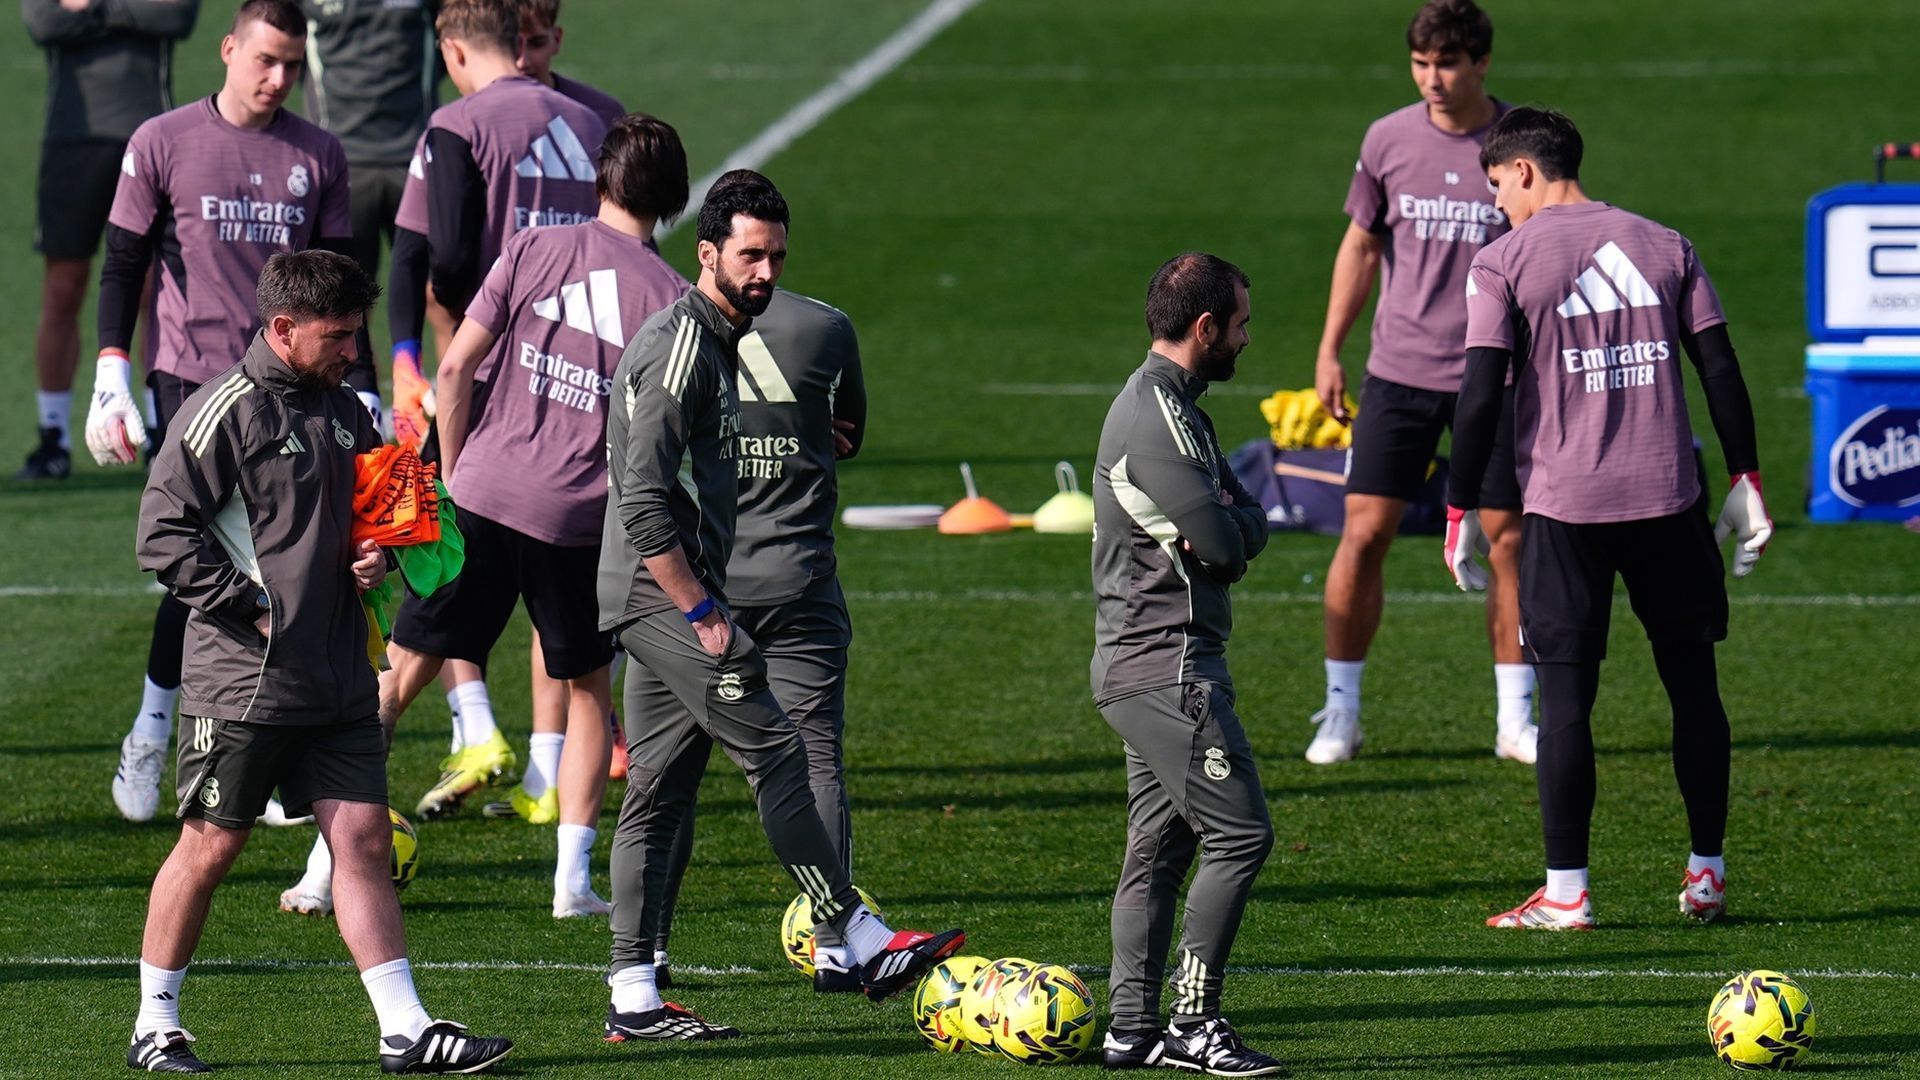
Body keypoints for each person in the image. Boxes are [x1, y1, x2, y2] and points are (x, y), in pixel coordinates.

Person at [129, 248, 512, 1075]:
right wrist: (248, 603)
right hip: (243, 681)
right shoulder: (220, 413)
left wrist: (369, 554)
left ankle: (404, 1029)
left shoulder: (349, 412)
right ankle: (155, 1024)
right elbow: (161, 535)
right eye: (339, 335)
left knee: (365, 840)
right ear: (282, 328)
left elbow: (363, 522)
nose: (352, 349)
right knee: (210, 846)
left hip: (340, 675)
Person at [598, 170, 961, 1040]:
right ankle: (859, 936)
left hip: (662, 593)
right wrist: (702, 613)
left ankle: (634, 993)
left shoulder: (717, 340)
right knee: (778, 751)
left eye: (776, 257)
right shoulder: (683, 346)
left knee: (657, 788)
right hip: (665, 598)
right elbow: (642, 497)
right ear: (708, 253)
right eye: (750, 255)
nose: (764, 272)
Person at [298, 114, 688, 922]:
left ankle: (320, 865)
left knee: (396, 677)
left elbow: (455, 365)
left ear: (602, 180)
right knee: (587, 693)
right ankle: (571, 882)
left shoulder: (537, 248)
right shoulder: (673, 303)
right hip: (580, 526)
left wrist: (457, 470)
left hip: (481, 497)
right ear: (673, 200)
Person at [1445, 107, 1771, 930]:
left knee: (1565, 704)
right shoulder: (1667, 245)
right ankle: (1707, 875)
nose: (1496, 206)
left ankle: (1567, 894)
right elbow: (1721, 367)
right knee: (1694, 684)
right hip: (1673, 500)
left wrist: (1459, 506)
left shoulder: (1503, 263)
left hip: (1565, 511)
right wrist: (1746, 475)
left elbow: (1481, 392)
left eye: (1497, 186)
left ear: (1523, 170)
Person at [90, 0, 365, 827]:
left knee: (300, 564)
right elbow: (123, 259)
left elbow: (344, 281)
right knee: (203, 566)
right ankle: (154, 727)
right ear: (229, 49)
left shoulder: (318, 152)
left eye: (293, 66)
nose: (279, 79)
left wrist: (367, 379)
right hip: (192, 384)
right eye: (266, 60)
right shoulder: (163, 140)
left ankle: (273, 742)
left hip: (294, 390)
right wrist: (110, 368)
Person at [383, 0, 609, 822]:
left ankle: (335, 841)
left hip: (485, 403)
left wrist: (425, 351)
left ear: (451, 49)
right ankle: (559, 817)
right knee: (572, 625)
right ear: (521, 39)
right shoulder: (601, 121)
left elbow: (428, 256)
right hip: (578, 406)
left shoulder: (456, 123)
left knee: (422, 609)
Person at [1306, 0, 1537, 766]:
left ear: (1480, 63)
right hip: (1398, 372)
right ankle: (1341, 712)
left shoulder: (1521, 148)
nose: (1432, 80)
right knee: (1363, 534)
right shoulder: (1387, 139)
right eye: (1420, 64)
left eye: (1445, 63)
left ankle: (1514, 721)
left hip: (1496, 378)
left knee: (1509, 544)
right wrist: (1330, 349)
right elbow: (1361, 246)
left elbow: (1550, 255)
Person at [648, 253, 870, 984]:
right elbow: (847, 432)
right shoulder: (828, 327)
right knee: (813, 759)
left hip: (696, 592)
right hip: (799, 579)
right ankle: (839, 944)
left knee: (667, 779)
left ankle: (647, 954)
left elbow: (640, 466)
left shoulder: (661, 333)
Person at [1091, 253, 1280, 1076]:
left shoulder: (1178, 408)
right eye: (1238, 323)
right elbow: (1228, 546)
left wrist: (1237, 527)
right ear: (1203, 328)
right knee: (1240, 836)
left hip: (1153, 667)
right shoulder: (1157, 419)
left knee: (1158, 854)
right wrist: (1234, 531)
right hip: (1169, 671)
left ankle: (1130, 1030)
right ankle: (1193, 1022)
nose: (1245, 336)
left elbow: (1248, 520)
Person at [18, 0, 199, 480]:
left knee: (152, 289)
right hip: (72, 143)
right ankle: (52, 436)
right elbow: (43, 22)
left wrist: (93, 7)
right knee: (63, 286)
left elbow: (176, 18)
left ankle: (159, 428)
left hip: (150, 133)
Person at [300, 0, 443, 409]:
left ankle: (457, 415)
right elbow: (280, 35)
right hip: (341, 163)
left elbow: (454, 32)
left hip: (416, 157)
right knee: (339, 300)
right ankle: (357, 412)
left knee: (444, 291)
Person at [515, 0, 624, 128]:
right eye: (512, 44)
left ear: (557, 39)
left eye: (537, 43)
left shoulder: (603, 114)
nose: (522, 62)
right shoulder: (485, 117)